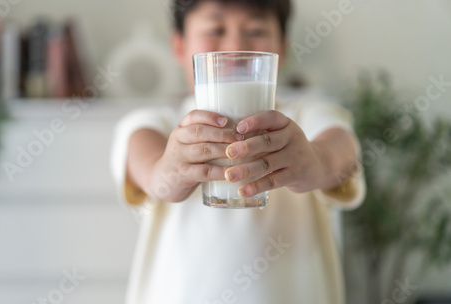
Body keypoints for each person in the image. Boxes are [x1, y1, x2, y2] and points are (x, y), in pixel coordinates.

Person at [110, 0, 365, 303]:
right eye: (215, 29)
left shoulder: (305, 116)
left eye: (256, 30)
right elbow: (147, 164)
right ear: (179, 47)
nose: (234, 46)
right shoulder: (158, 124)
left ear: (281, 49)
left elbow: (341, 145)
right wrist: (166, 171)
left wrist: (317, 162)